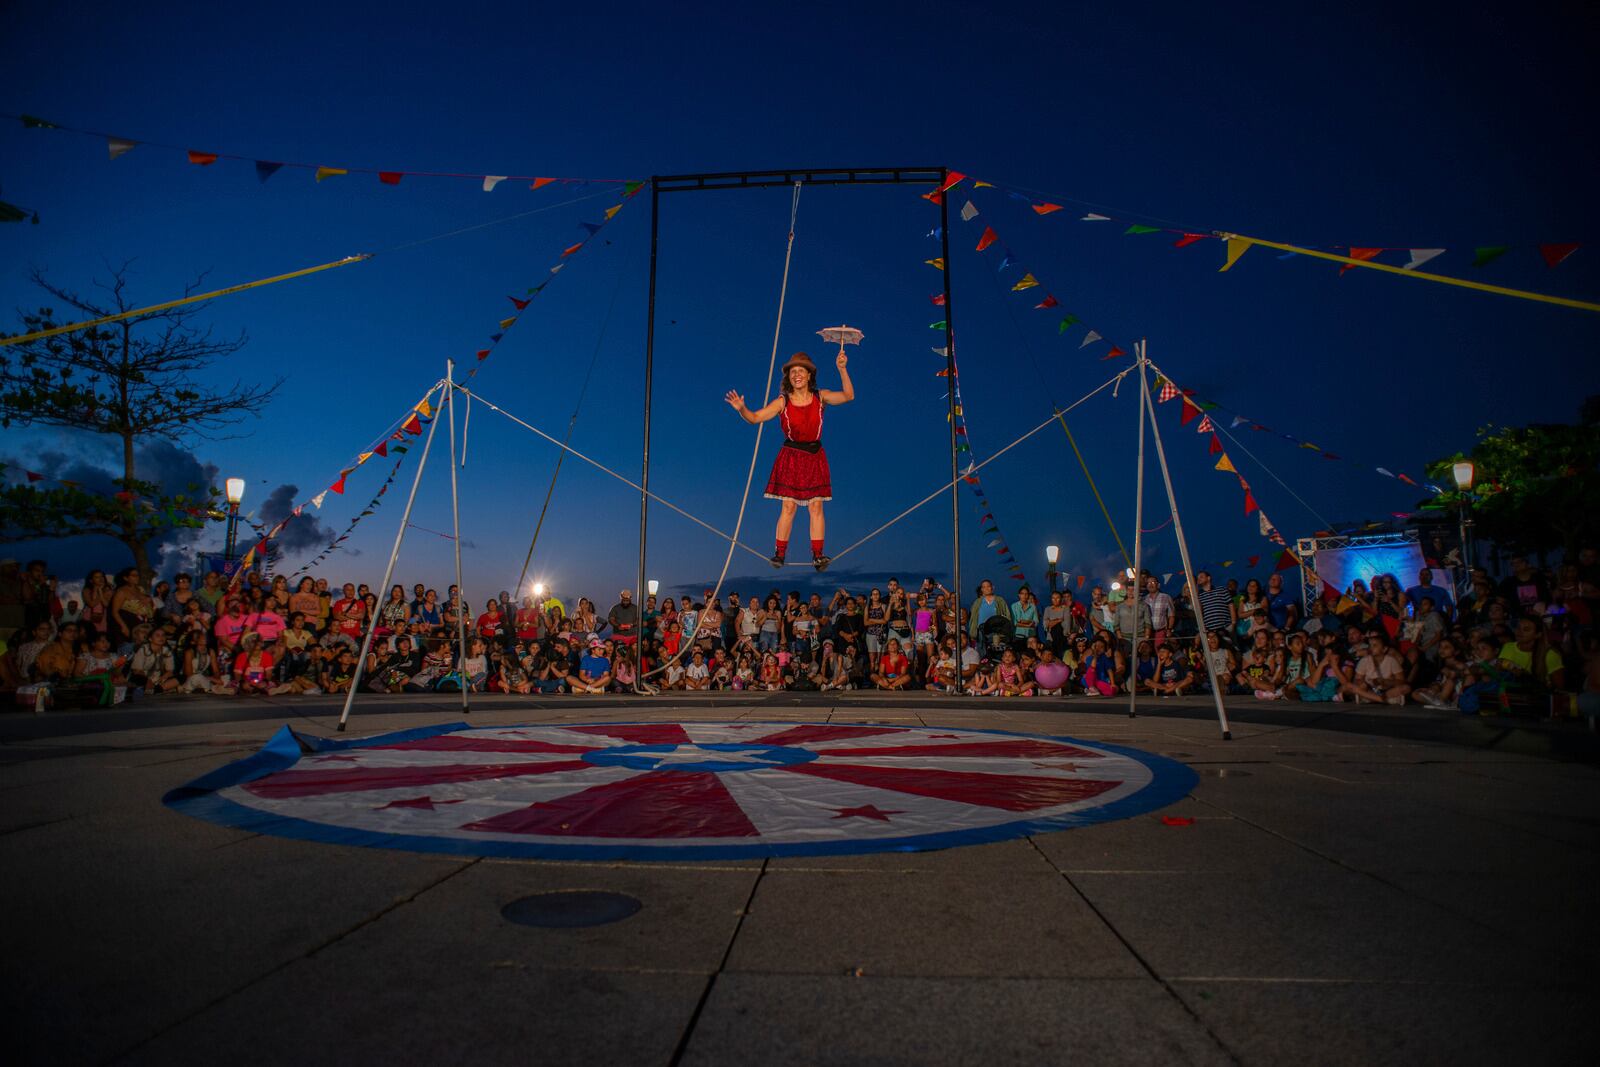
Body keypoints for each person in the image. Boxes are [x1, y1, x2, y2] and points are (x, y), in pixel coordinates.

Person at [724, 348, 855, 570]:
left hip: (815, 456)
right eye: (793, 371)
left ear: (809, 375)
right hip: (791, 456)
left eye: (801, 371)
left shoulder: (821, 397)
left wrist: (842, 369)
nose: (797, 375)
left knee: (816, 507)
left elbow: (848, 396)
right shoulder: (782, 402)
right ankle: (779, 554)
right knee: (788, 507)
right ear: (789, 377)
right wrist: (742, 409)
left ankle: (818, 556)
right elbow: (754, 418)